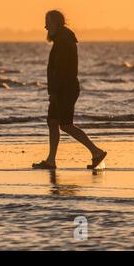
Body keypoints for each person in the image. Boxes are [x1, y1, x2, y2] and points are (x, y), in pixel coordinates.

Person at [33, 10, 107, 169]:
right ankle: (95, 152)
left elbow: (60, 70)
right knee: (63, 124)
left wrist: (54, 92)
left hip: (64, 90)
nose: (45, 26)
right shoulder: (64, 38)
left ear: (55, 23)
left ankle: (53, 160)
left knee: (55, 122)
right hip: (68, 88)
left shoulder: (63, 40)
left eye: (48, 22)